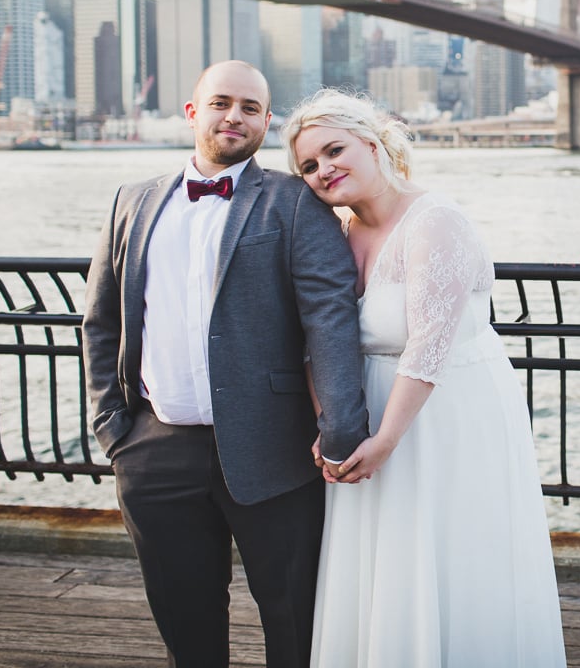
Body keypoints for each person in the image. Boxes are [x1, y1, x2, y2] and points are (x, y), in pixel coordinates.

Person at [82, 61, 368, 668]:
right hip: (154, 449)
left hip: (275, 452)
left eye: (249, 107)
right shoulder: (131, 202)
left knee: (294, 618)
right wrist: (115, 428)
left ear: (267, 121)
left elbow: (330, 315)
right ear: (193, 112)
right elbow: (102, 321)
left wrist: (342, 430)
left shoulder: (295, 201)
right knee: (184, 620)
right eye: (220, 103)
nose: (233, 116)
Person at [281, 88, 567, 667]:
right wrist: (332, 427)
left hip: (443, 415)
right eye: (308, 166)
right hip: (368, 418)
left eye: (334, 150)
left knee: (449, 555)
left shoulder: (435, 221)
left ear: (371, 141)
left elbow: (429, 347)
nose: (323, 170)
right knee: (384, 564)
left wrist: (385, 440)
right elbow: (319, 339)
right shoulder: (335, 234)